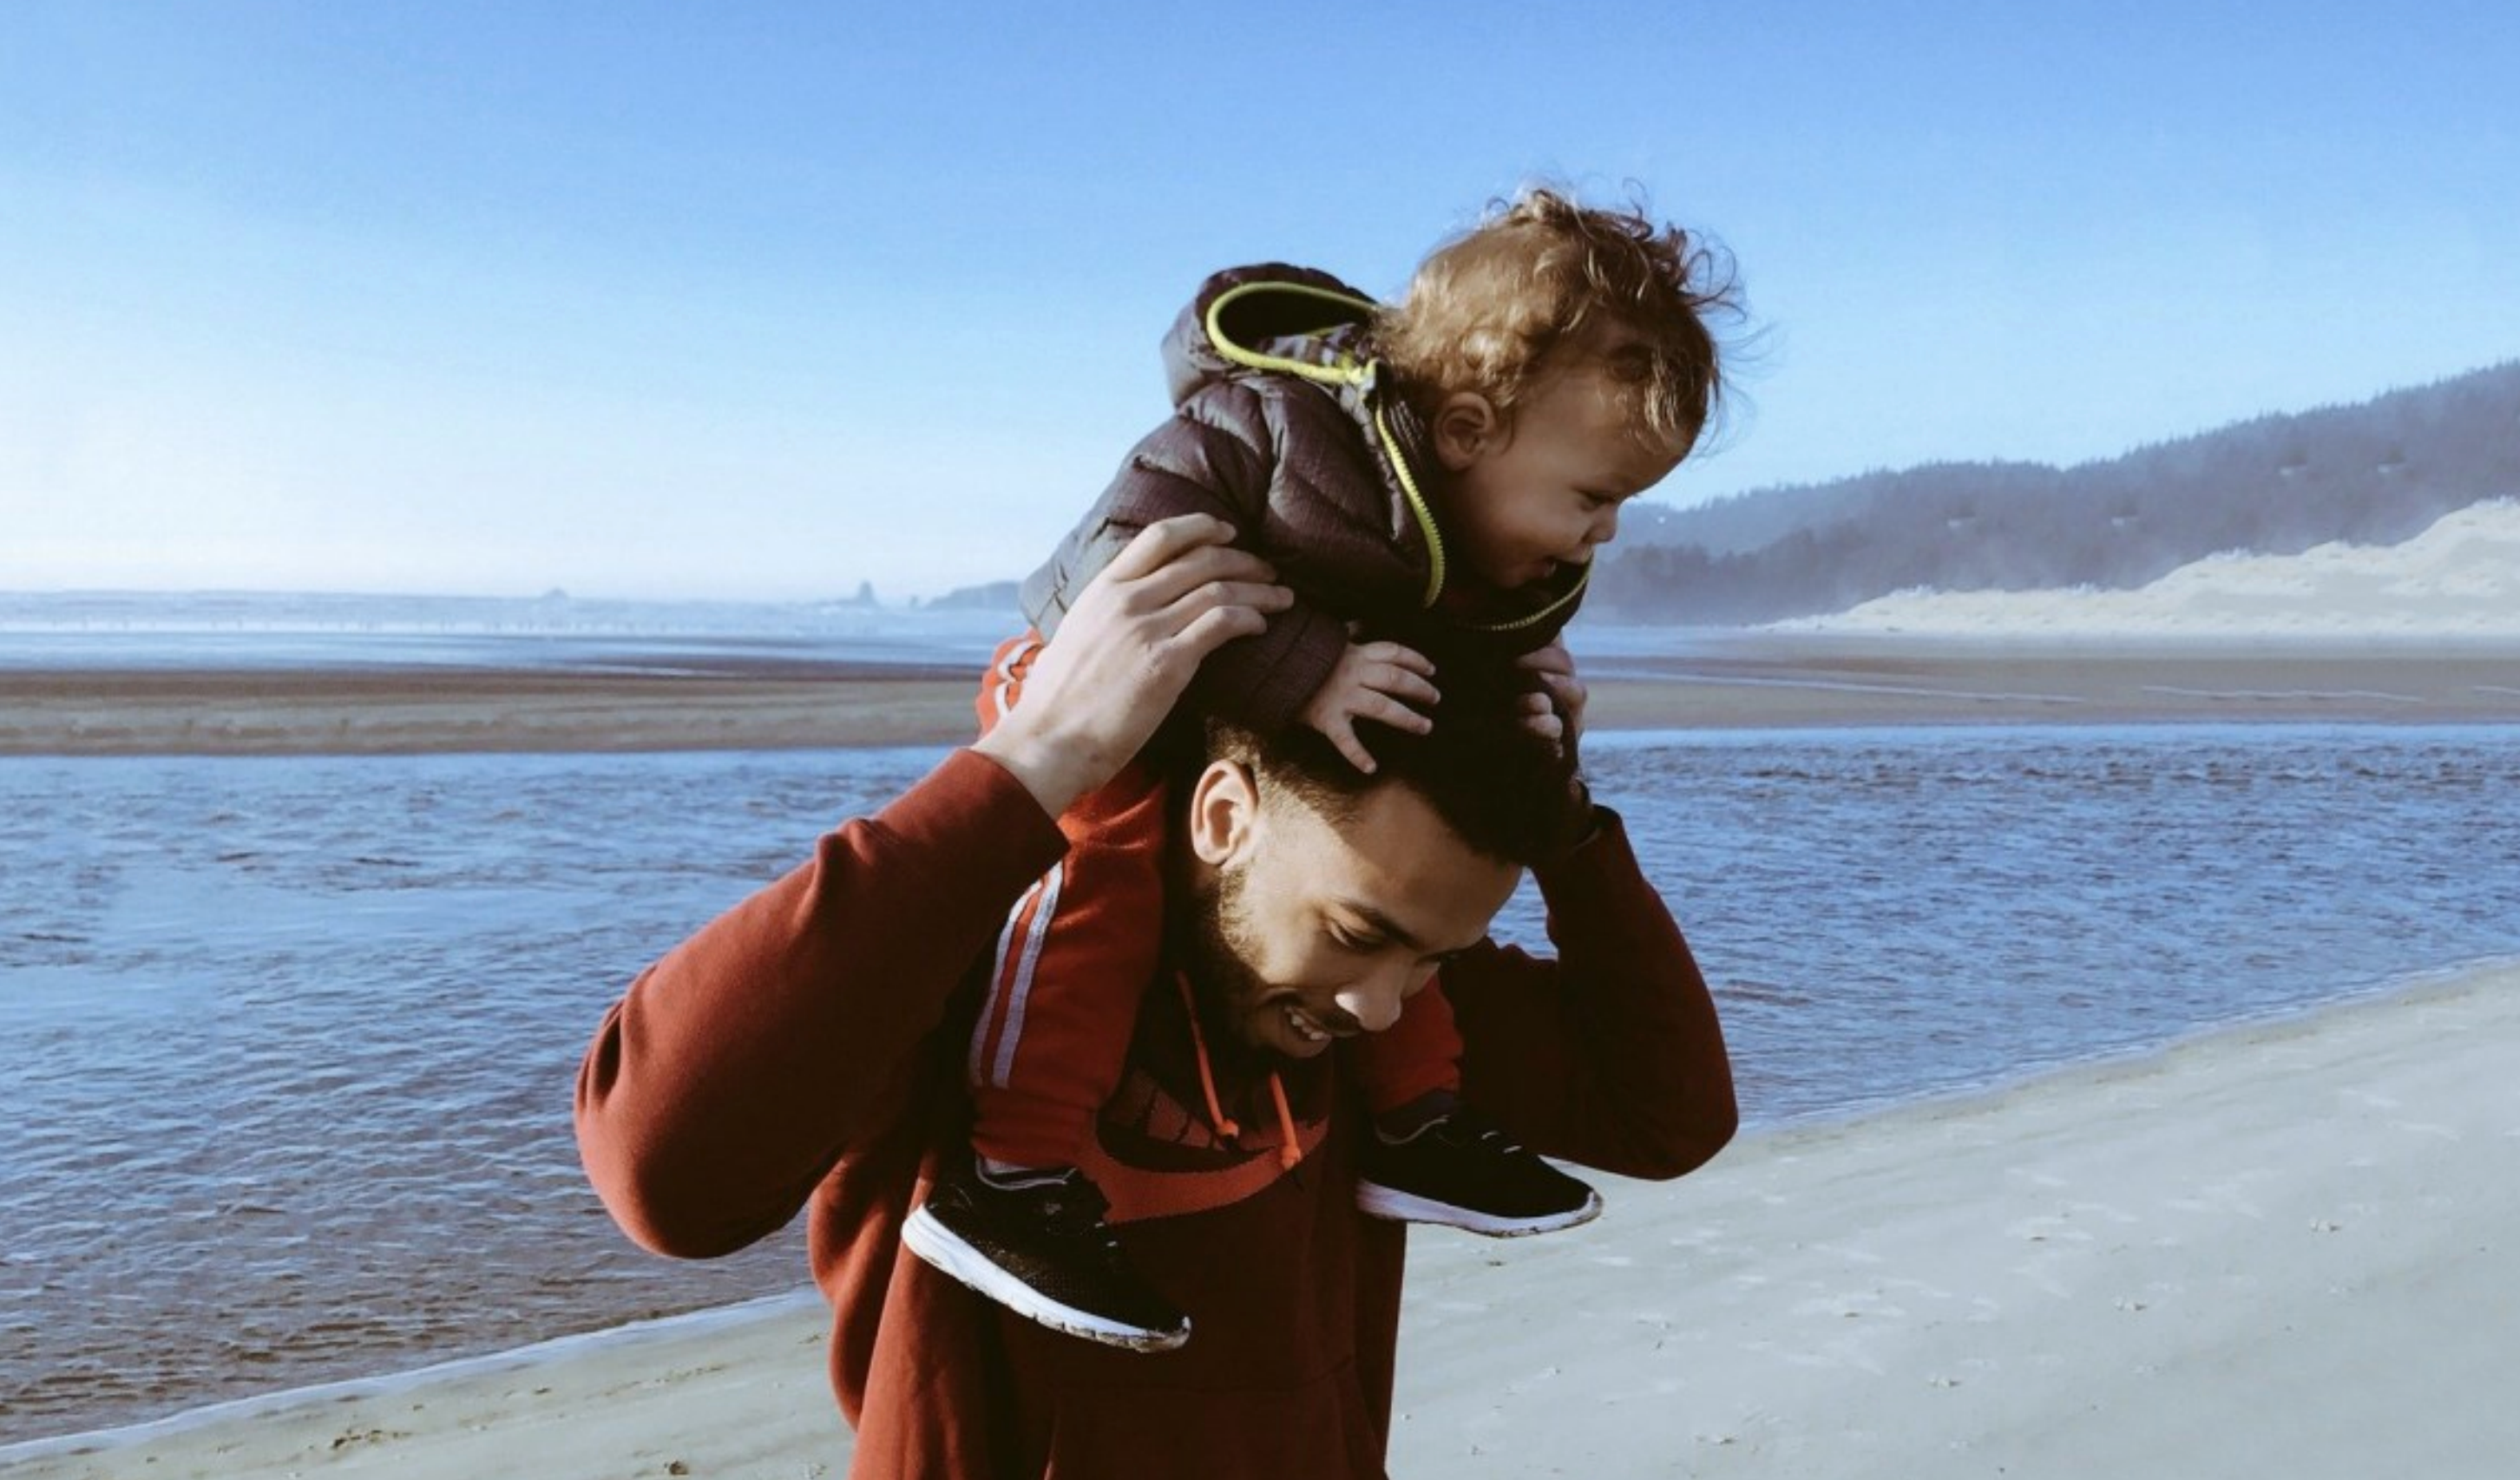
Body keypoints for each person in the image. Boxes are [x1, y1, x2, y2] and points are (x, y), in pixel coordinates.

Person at [574, 514, 1737, 1478]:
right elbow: (665, 1177)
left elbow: (1666, 1113)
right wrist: (1037, 759)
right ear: (1225, 814)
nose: (1387, 1005)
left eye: (1434, 956)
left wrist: (1568, 825)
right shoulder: (973, 963)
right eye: (1360, 934)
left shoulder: (1382, 989)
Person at [924, 187, 1743, 1346]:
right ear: (1467, 429)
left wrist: (1538, 764)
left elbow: (1674, 1112)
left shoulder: (1480, 543)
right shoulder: (1276, 429)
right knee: (1096, 883)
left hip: (1269, 745)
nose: (1605, 531)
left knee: (1402, 918)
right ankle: (1011, 1172)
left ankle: (1416, 1121)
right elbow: (1107, 563)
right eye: (1595, 495)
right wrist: (1301, 671)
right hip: (1091, 698)